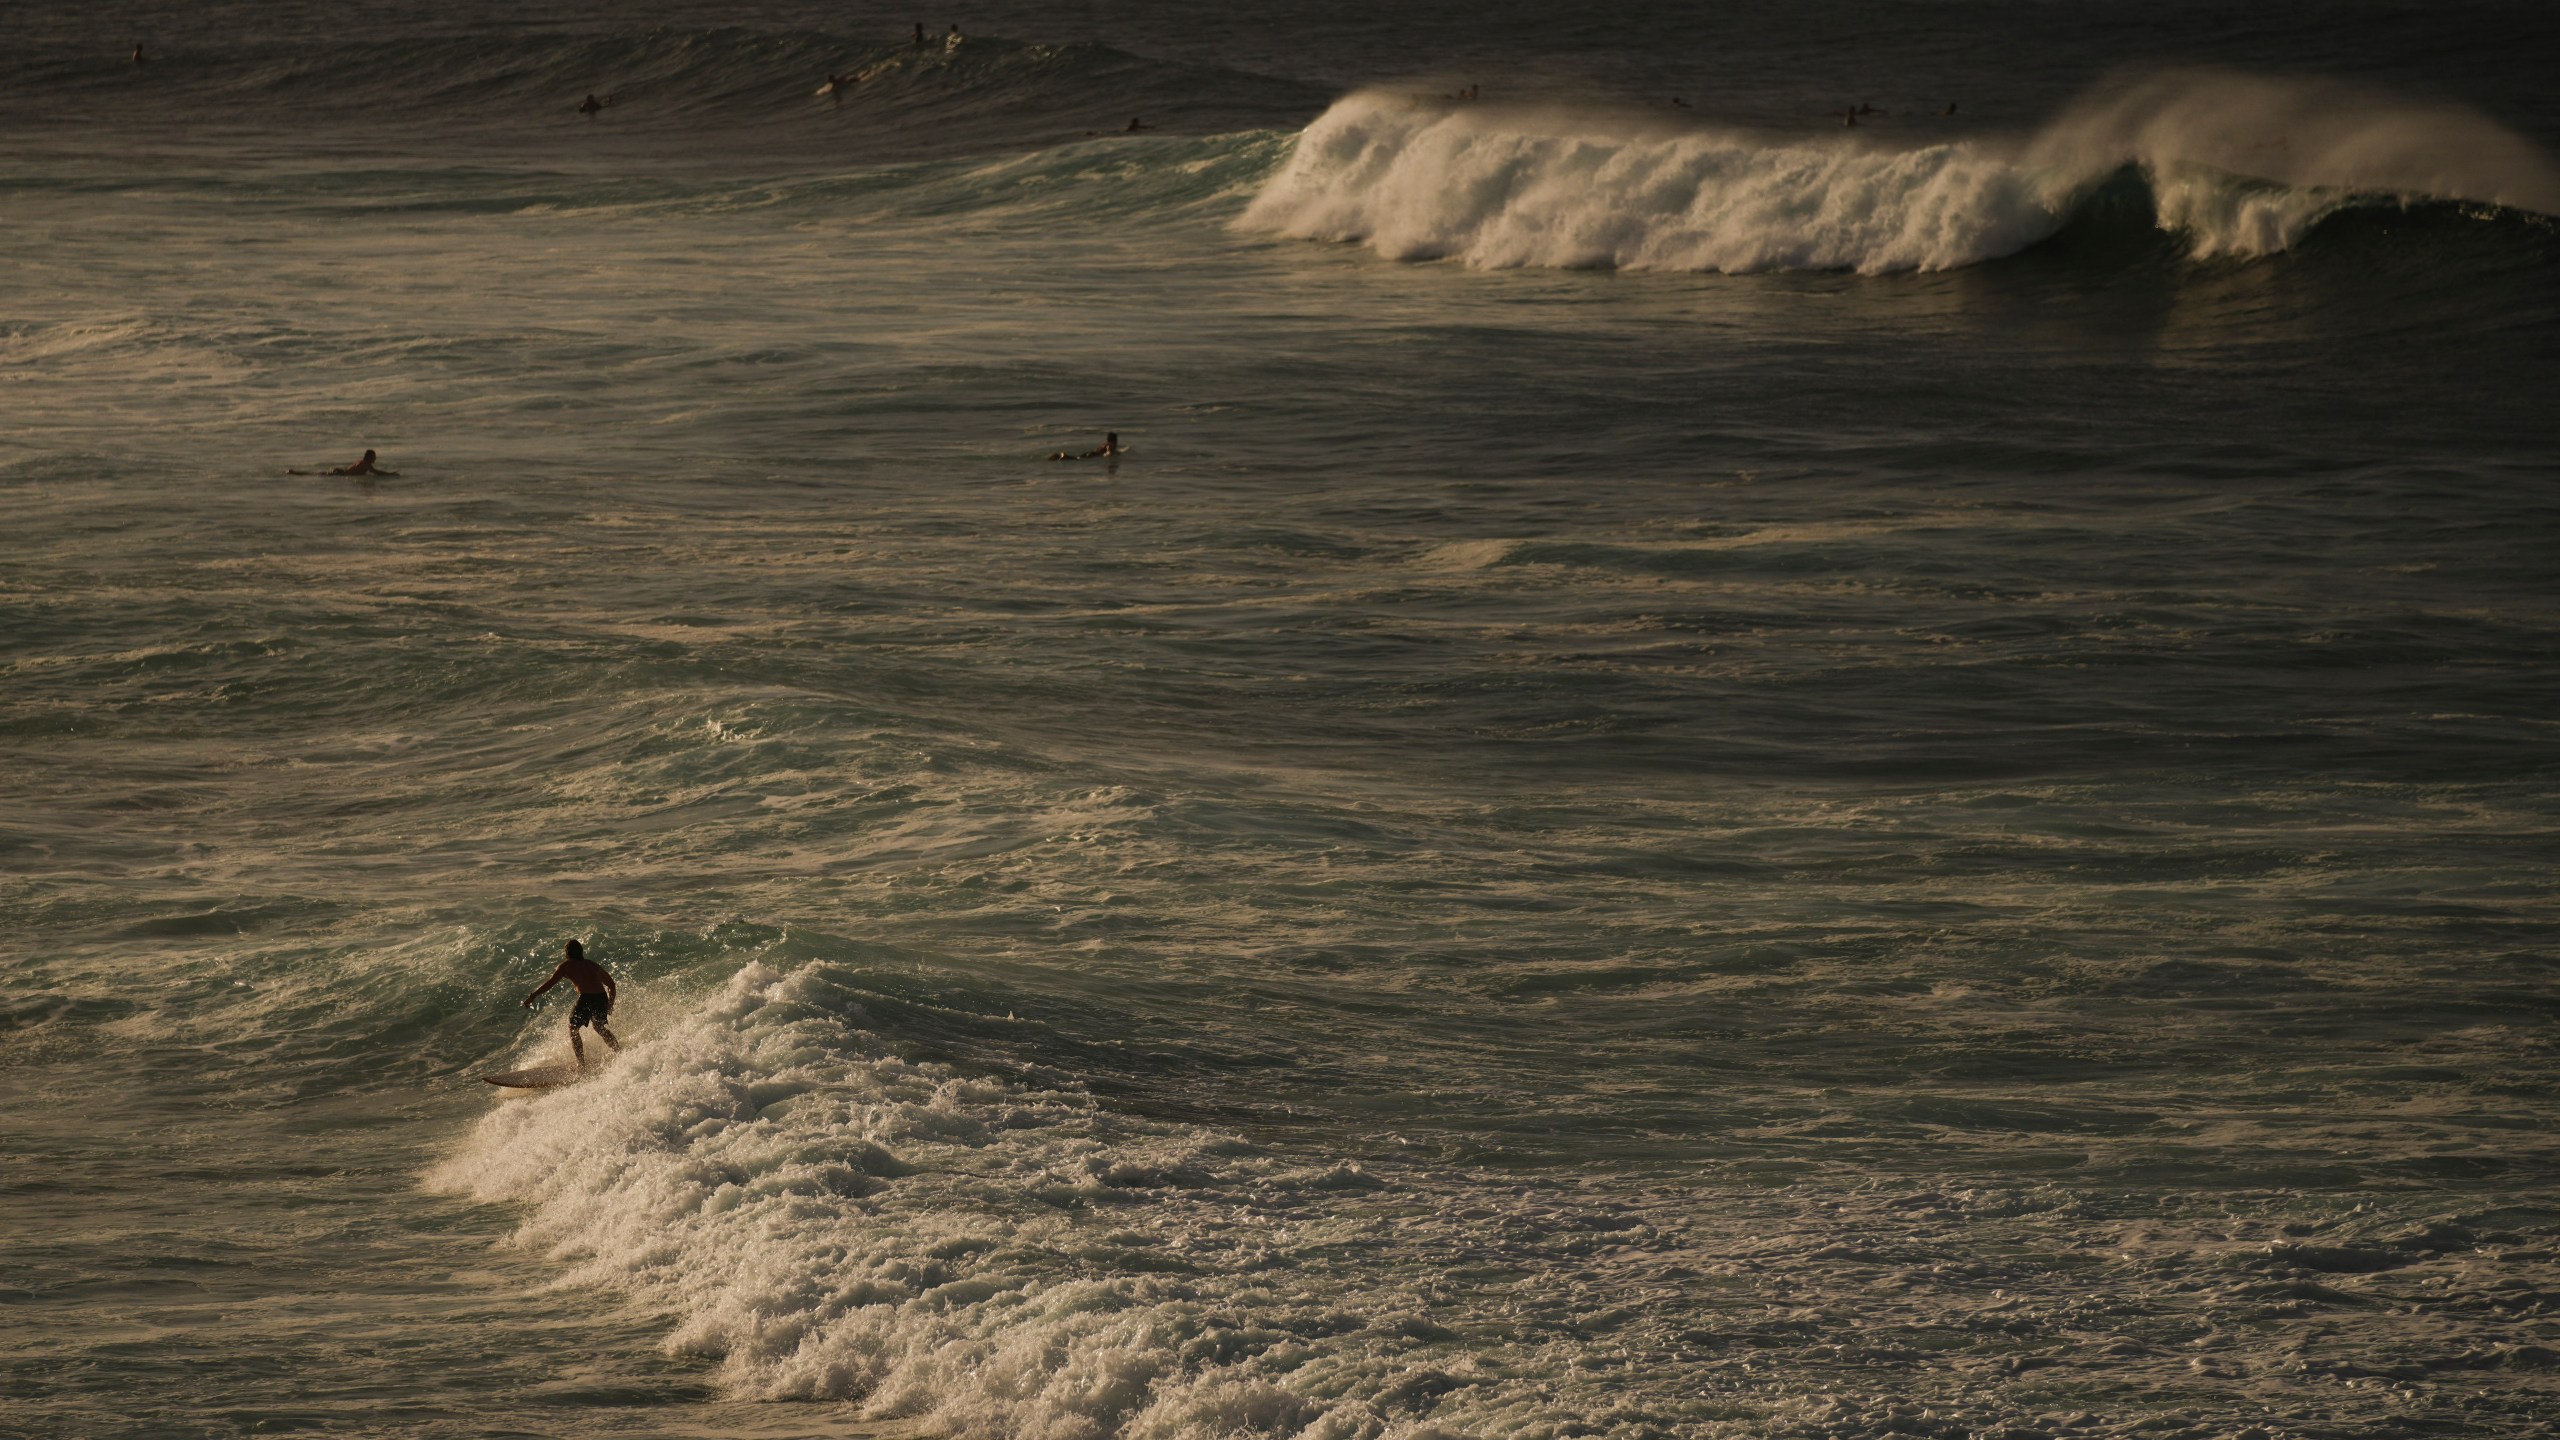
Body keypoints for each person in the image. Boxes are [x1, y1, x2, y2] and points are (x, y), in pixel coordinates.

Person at [523, 938, 620, 1066]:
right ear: (581, 952)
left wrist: (533, 995)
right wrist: (610, 1005)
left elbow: (550, 984)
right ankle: (619, 1052)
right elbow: (611, 985)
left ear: (567, 953)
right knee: (599, 1027)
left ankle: (581, 1065)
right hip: (601, 998)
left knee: (573, 1028)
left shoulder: (566, 966)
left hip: (586, 998)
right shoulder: (592, 965)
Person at [289, 449, 397, 476]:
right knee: (312, 475)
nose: (375, 459)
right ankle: (294, 473)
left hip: (340, 472)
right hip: (340, 474)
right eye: (374, 457)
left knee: (315, 474)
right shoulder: (366, 464)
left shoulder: (363, 462)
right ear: (370, 457)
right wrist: (391, 474)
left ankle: (294, 472)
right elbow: (376, 473)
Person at [1048, 432, 1121, 461]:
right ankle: (1062, 456)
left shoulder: (1104, 444)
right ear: (1114, 440)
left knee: (1076, 458)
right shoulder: (1110, 445)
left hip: (1091, 453)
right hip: (1092, 455)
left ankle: (1059, 456)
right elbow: (1109, 453)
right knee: (1076, 459)